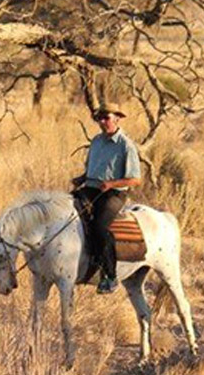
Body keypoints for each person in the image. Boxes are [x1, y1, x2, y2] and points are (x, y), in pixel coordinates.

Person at [70, 103, 142, 294]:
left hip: (113, 193)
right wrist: (81, 178)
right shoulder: (96, 141)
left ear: (117, 118)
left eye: (106, 118)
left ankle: (110, 276)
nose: (102, 122)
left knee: (100, 226)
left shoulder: (126, 145)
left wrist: (112, 184)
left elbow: (135, 179)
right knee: (67, 213)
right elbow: (90, 170)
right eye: (99, 118)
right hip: (92, 188)